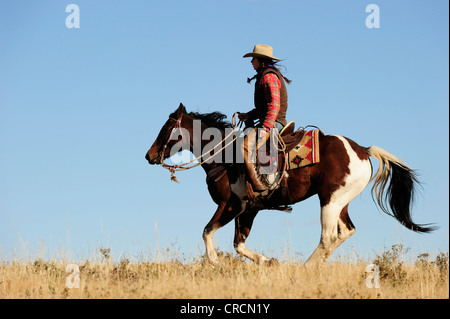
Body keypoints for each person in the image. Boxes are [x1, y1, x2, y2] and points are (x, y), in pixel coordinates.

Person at [239, 44, 291, 193]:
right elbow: (264, 107)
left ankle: (257, 183)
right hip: (271, 121)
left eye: (253, 58)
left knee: (243, 147)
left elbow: (274, 105)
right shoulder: (264, 75)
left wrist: (266, 127)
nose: (251, 62)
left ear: (260, 60)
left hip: (275, 123)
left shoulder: (269, 76)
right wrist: (249, 115)